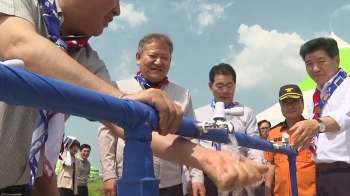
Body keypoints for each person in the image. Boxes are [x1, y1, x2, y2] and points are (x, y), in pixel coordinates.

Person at [0, 0, 267, 195]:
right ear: (138, 58)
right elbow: (19, 45)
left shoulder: (88, 61)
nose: (118, 10)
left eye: (166, 57)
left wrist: (207, 157)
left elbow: (127, 124)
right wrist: (122, 99)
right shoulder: (22, 5)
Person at [97, 33, 205, 196]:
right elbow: (106, 133)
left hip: (171, 182)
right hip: (129, 179)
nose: (158, 62)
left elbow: (191, 136)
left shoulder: (183, 94)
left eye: (165, 57)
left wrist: (197, 177)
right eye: (153, 56)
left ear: (170, 62)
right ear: (138, 58)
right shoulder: (118, 89)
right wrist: (108, 175)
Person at [193, 63, 264, 196]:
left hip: (238, 176)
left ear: (235, 86)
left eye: (229, 85)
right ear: (210, 86)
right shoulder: (198, 114)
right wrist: (196, 179)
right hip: (208, 176)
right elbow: (194, 147)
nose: (225, 91)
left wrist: (256, 167)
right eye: (220, 86)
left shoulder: (246, 113)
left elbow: (254, 144)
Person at [291, 37, 350, 196]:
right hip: (321, 174)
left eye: (321, 61)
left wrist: (317, 125)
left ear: (336, 60)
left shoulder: (347, 85)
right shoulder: (315, 98)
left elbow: (344, 117)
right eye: (309, 64)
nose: (315, 68)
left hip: (344, 173)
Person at [264, 84, 315, 196]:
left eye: (294, 101)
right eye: (285, 103)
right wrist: (267, 192)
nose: (290, 106)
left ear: (303, 104)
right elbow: (270, 164)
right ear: (281, 106)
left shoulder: (313, 131)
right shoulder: (273, 133)